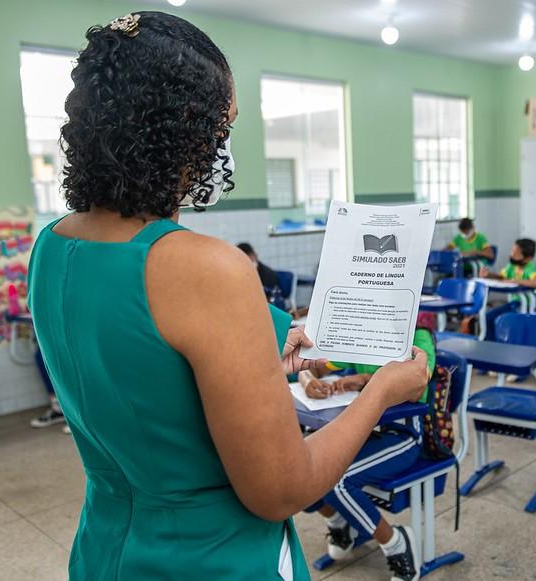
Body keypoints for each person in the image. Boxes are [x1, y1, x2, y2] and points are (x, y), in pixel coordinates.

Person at [27, 12, 428, 580]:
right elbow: (281, 490)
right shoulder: (206, 267)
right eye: (223, 127)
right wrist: (383, 389)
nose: (224, 149)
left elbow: (145, 372)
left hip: (107, 548)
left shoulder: (52, 245)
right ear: (177, 129)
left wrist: (259, 348)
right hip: (214, 556)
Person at [299, 322, 436, 580]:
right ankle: (341, 522)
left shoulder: (418, 336)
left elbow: (418, 380)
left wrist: (365, 380)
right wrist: (308, 379)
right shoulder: (361, 331)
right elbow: (313, 364)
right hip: (364, 435)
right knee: (303, 467)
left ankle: (396, 542)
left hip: (401, 437)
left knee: (337, 480)